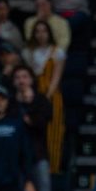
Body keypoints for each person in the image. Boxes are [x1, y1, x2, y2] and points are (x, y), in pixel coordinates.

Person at [22, 20, 66, 175]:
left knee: (53, 130)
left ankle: (53, 167)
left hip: (51, 95)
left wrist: (46, 96)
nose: (41, 34)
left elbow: (56, 76)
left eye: (44, 31)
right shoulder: (28, 52)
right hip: (32, 94)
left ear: (49, 33)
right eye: (38, 31)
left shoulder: (57, 52)